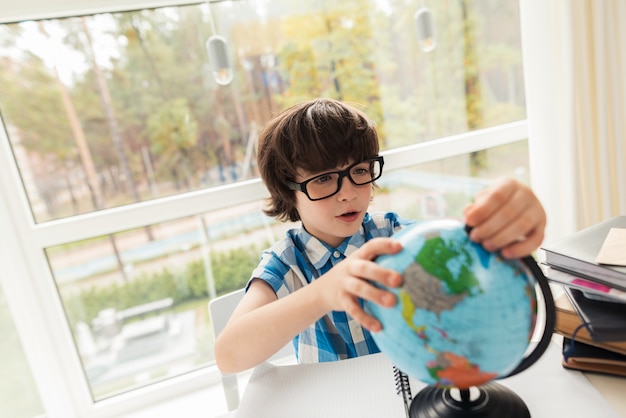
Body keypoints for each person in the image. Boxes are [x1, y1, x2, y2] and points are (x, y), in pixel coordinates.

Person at [214, 98, 547, 374]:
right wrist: (323, 293)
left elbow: (460, 250)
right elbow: (228, 354)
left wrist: (510, 219)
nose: (348, 193)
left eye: (359, 171)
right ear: (288, 191)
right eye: (324, 179)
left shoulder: (394, 237)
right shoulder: (287, 262)